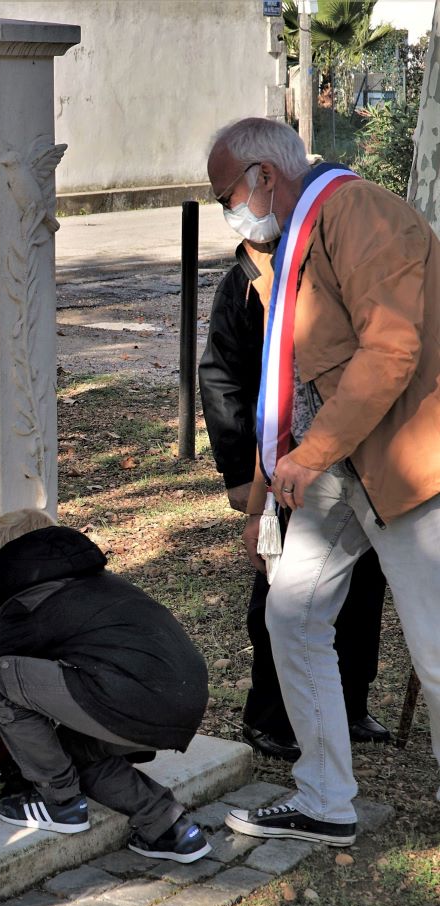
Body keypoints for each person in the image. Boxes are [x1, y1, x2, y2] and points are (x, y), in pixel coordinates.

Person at [206, 117, 440, 847]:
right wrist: (260, 499)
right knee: (292, 614)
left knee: (436, 652)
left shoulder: (358, 212)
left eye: (226, 196)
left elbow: (391, 350)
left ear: (263, 178)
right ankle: (325, 798)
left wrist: (310, 458)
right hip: (333, 466)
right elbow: (284, 382)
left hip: (411, 464)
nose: (227, 213)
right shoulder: (287, 241)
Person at [0, 509, 212, 863]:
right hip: (182, 699)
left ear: (4, 560)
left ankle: (60, 804)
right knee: (73, 754)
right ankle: (170, 827)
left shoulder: (31, 601)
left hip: (135, 698)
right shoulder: (97, 582)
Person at [199, 260, 390, 760]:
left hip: (357, 462)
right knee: (282, 592)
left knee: (363, 588)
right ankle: (270, 716)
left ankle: (350, 703)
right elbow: (222, 376)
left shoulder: (340, 267)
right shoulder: (248, 278)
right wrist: (241, 473)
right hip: (287, 466)